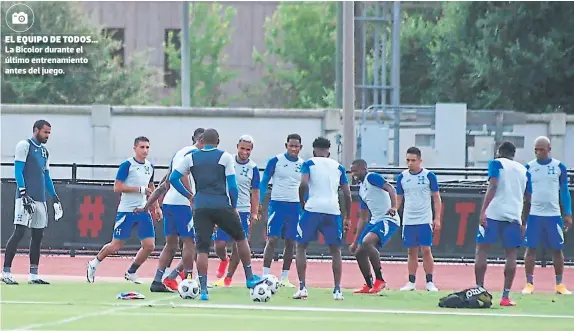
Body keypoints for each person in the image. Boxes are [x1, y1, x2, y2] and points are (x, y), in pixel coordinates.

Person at [169, 128, 264, 301]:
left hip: (201, 207)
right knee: (240, 238)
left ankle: (204, 290)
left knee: (203, 248)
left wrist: (190, 196)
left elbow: (173, 178)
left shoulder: (191, 157)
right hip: (222, 205)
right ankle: (250, 277)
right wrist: (233, 206)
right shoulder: (225, 156)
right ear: (218, 142)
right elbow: (233, 186)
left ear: (202, 141)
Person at [135, 128, 204, 292]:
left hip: (169, 203)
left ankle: (158, 280)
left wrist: (147, 206)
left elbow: (164, 183)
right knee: (189, 242)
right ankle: (187, 280)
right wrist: (191, 197)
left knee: (170, 244)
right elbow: (183, 176)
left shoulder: (178, 153)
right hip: (183, 205)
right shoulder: (195, 155)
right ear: (202, 141)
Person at [86, 136, 161, 284]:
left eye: (147, 147)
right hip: (127, 211)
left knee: (149, 245)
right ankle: (94, 263)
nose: (145, 151)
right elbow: (117, 187)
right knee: (116, 245)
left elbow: (151, 187)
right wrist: (139, 189)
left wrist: (156, 207)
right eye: (142, 147)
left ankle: (131, 271)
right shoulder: (127, 165)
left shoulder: (149, 167)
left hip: (142, 210)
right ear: (135, 148)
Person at [2, 120, 63, 285]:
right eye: (45, 132)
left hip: (40, 199)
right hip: (26, 198)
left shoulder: (44, 152)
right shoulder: (24, 145)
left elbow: (46, 176)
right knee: (19, 232)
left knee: (38, 236)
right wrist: (23, 192)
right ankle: (6, 271)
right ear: (36, 130)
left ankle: (33, 274)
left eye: (49, 133)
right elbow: (18, 170)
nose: (47, 136)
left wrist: (54, 196)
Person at [293, 137, 352, 300]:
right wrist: (347, 216)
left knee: (301, 246)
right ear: (329, 152)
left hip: (313, 208)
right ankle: (337, 290)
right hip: (333, 210)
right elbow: (347, 194)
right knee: (335, 251)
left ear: (313, 151)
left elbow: (303, 184)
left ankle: (303, 287)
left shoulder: (309, 163)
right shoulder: (338, 167)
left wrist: (302, 202)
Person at [475, 141, 531, 306]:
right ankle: (505, 297)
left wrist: (483, 211)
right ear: (513, 154)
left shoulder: (496, 163)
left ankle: (480, 291)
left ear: (499, 152)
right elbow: (529, 199)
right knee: (511, 255)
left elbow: (493, 185)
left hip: (493, 213)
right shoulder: (524, 170)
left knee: (482, 250)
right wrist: (523, 222)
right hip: (513, 215)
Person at [522, 136, 572, 295]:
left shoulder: (559, 167)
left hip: (553, 214)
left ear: (549, 149)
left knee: (557, 249)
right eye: (536, 149)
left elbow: (564, 191)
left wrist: (568, 213)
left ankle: (559, 284)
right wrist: (523, 215)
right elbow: (525, 193)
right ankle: (529, 283)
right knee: (531, 248)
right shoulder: (528, 167)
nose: (538, 152)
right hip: (535, 214)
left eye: (541, 149)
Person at [212, 135, 261, 287]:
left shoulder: (253, 168)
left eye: (248, 150)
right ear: (237, 147)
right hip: (225, 208)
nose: (244, 152)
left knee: (239, 245)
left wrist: (254, 212)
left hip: (243, 210)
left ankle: (229, 277)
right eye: (242, 148)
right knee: (219, 244)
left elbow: (255, 191)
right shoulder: (228, 161)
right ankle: (223, 259)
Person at [259, 134, 304, 288]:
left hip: (295, 206)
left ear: (300, 148)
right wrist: (258, 201)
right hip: (277, 204)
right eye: (291, 146)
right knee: (272, 239)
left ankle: (284, 277)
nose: (293, 149)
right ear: (286, 146)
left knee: (291, 242)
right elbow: (264, 181)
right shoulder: (276, 161)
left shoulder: (303, 165)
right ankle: (265, 274)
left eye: (296, 146)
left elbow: (306, 187)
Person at [349, 159, 400, 294]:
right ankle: (369, 284)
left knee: (367, 242)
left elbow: (390, 188)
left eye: (355, 170)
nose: (353, 174)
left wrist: (394, 206)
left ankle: (380, 280)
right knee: (359, 252)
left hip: (388, 219)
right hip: (375, 220)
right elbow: (363, 218)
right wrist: (355, 241)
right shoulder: (361, 190)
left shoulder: (372, 177)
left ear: (363, 169)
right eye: (352, 171)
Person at [396, 146, 442, 292]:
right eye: (408, 160)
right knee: (411, 251)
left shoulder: (429, 176)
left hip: (424, 219)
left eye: (413, 160)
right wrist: (393, 211)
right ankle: (411, 282)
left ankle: (429, 281)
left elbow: (436, 198)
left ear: (420, 161)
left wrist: (437, 218)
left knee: (426, 250)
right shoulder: (402, 177)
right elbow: (399, 199)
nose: (410, 163)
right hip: (409, 220)